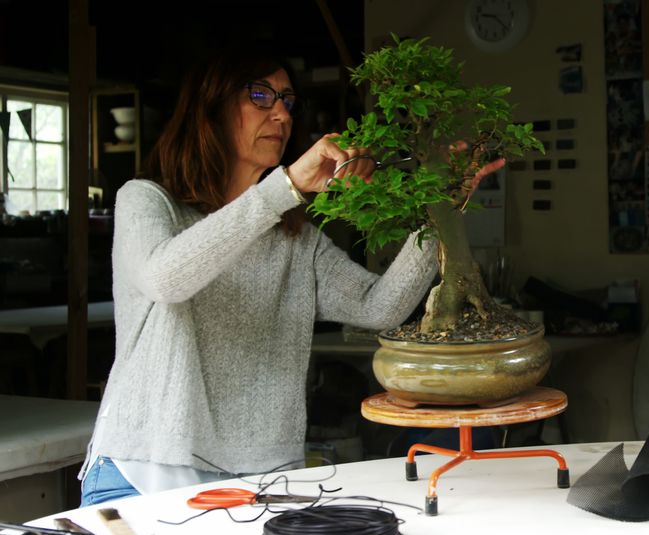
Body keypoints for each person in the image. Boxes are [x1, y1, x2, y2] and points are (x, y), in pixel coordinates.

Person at [78, 48, 502, 506]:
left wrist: (440, 209)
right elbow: (167, 279)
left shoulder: (296, 239)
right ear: (210, 106)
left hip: (260, 480)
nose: (280, 112)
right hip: (144, 468)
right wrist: (284, 188)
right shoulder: (146, 201)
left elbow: (380, 307)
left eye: (287, 100)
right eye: (260, 95)